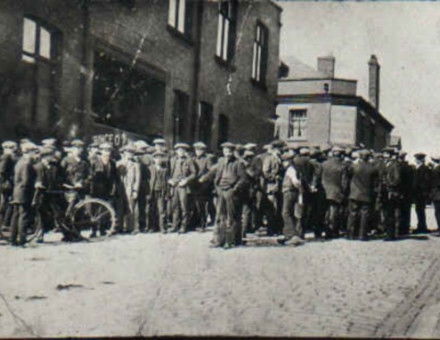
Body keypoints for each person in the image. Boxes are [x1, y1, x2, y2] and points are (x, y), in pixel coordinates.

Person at [211, 142, 246, 248]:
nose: (227, 153)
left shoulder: (238, 163)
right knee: (219, 216)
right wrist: (217, 188)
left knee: (231, 217)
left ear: (233, 152)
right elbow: (216, 175)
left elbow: (243, 178)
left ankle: (230, 241)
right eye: (225, 151)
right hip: (221, 190)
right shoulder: (220, 161)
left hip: (231, 191)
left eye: (229, 151)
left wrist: (234, 189)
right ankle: (219, 240)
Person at [9, 142, 38, 246]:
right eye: (33, 152)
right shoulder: (26, 164)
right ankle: (22, 239)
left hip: (17, 191)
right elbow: (26, 180)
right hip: (25, 192)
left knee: (15, 215)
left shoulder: (19, 162)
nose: (34, 154)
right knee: (24, 216)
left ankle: (12, 239)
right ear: (29, 152)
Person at [33, 147, 63, 243]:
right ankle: (39, 235)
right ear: (45, 157)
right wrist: (37, 184)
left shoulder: (54, 167)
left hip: (52, 194)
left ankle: (67, 233)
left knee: (58, 214)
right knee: (41, 215)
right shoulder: (37, 167)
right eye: (50, 155)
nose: (52, 157)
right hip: (41, 195)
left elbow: (58, 179)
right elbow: (36, 181)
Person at [346, 150, 378, 240]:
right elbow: (375, 183)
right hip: (367, 194)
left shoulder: (354, 167)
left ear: (360, 156)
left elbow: (347, 176)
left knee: (353, 214)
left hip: (355, 193)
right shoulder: (373, 168)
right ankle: (362, 235)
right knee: (365, 215)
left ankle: (351, 234)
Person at [89, 142, 118, 236]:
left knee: (105, 211)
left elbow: (114, 177)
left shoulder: (112, 163)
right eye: (105, 150)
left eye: (109, 151)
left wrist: (113, 189)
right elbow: (90, 176)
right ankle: (93, 231)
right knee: (94, 211)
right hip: (96, 190)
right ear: (101, 151)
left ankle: (102, 230)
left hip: (107, 190)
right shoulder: (94, 162)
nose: (107, 153)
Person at [168, 143, 197, 233]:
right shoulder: (173, 160)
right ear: (176, 151)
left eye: (182, 150)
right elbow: (168, 173)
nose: (180, 152)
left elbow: (194, 173)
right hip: (174, 185)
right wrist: (169, 180)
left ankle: (184, 226)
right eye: (179, 150)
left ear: (185, 152)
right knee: (174, 206)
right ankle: (174, 225)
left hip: (183, 186)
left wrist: (186, 180)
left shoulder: (189, 161)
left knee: (184, 206)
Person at [321, 146, 348, 239]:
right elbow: (344, 182)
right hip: (336, 191)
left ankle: (326, 230)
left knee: (326, 212)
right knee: (334, 212)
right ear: (341, 154)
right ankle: (332, 231)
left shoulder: (324, 164)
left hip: (325, 190)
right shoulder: (342, 165)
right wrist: (344, 192)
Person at [116, 144, 141, 234]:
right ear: (124, 153)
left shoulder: (136, 165)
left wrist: (135, 190)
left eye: (131, 153)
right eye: (128, 152)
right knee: (120, 207)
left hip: (130, 188)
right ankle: (119, 227)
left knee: (130, 207)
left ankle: (130, 228)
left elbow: (137, 179)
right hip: (120, 188)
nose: (129, 154)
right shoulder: (118, 163)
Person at [280, 153, 304, 246]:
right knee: (291, 213)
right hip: (293, 192)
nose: (283, 163)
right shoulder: (295, 168)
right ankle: (289, 235)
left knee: (285, 213)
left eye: (284, 161)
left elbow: (295, 181)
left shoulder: (290, 169)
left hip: (289, 192)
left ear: (288, 161)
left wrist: (298, 187)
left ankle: (292, 235)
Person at [380, 148, 403, 241]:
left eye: (386, 154)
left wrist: (388, 184)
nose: (384, 156)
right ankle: (388, 232)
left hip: (391, 192)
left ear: (390, 155)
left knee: (390, 214)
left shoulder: (395, 165)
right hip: (385, 192)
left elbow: (397, 179)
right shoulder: (385, 164)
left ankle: (391, 234)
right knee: (386, 213)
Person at [262, 140, 284, 235]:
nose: (281, 151)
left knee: (278, 208)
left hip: (278, 186)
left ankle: (276, 228)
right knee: (271, 208)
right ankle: (270, 229)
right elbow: (265, 172)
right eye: (280, 149)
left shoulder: (279, 158)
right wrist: (274, 177)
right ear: (276, 149)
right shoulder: (269, 159)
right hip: (271, 186)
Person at [192, 142, 215, 232]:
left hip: (203, 185)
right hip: (194, 184)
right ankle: (195, 223)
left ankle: (202, 224)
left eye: (200, 150)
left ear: (203, 150)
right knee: (195, 205)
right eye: (196, 150)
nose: (198, 151)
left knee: (202, 205)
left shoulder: (207, 159)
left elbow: (211, 171)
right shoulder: (193, 159)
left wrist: (204, 178)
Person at [149, 151, 170, 233]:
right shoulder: (150, 168)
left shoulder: (165, 170)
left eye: (160, 158)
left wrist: (167, 193)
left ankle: (162, 227)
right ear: (154, 159)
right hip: (152, 191)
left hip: (161, 191)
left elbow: (167, 181)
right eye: (156, 158)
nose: (158, 160)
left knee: (161, 210)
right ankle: (153, 227)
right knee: (152, 209)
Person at [412, 153, 432, 233]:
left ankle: (422, 227)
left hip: (420, 193)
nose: (415, 160)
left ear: (419, 160)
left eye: (416, 159)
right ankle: (420, 226)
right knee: (419, 210)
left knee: (420, 210)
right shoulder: (419, 168)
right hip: (418, 193)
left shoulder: (424, 169)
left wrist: (423, 191)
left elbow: (426, 182)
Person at [0, 141, 18, 228]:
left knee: (7, 203)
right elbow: (2, 171)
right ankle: (5, 223)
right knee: (6, 203)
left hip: (8, 183)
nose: (15, 150)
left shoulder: (8, 156)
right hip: (7, 184)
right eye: (13, 148)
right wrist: (7, 180)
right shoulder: (7, 157)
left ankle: (5, 222)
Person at [431, 155, 440, 232]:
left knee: (438, 212)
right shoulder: (436, 169)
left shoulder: (436, 169)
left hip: (437, 194)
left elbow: (436, 182)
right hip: (437, 193)